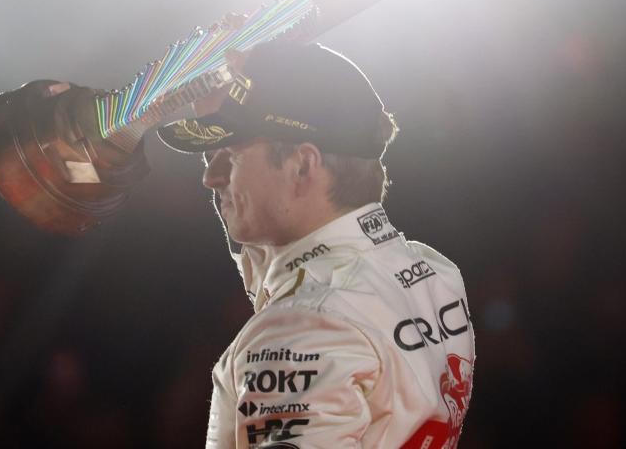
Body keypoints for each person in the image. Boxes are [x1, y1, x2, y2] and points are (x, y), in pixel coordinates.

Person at [158, 40, 475, 448]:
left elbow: (300, 308)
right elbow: (279, 273)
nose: (211, 177)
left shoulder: (302, 327)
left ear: (304, 165)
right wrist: (219, 109)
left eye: (231, 156)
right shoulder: (432, 272)